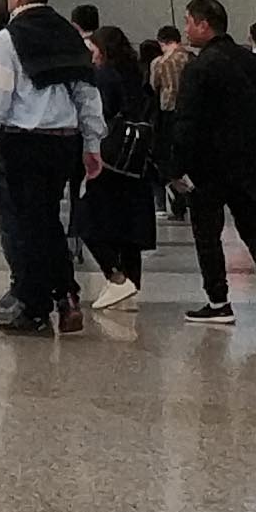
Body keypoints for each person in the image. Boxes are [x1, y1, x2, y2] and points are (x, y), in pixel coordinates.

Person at [0, 0, 105, 335]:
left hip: (23, 142)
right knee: (47, 221)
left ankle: (35, 306)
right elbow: (87, 95)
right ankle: (66, 294)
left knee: (27, 226)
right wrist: (93, 143)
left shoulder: (8, 38)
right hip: (64, 142)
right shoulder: (69, 35)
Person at [174, 0, 256, 324]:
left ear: (203, 25)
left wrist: (176, 166)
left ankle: (218, 301)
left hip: (207, 166)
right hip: (248, 161)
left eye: (189, 22)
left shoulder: (200, 67)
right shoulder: (253, 64)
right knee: (253, 224)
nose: (186, 28)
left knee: (207, 233)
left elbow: (188, 121)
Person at [82, 22, 162, 309]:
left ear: (102, 50)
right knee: (129, 229)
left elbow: (98, 114)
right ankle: (131, 285)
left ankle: (116, 278)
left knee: (87, 221)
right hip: (136, 160)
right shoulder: (137, 74)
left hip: (110, 157)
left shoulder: (103, 76)